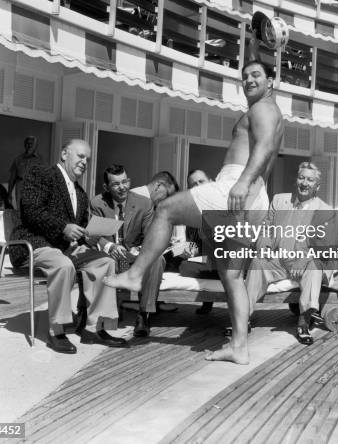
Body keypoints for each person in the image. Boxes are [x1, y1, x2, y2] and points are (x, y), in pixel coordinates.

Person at [105, 59, 284, 364]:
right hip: (255, 198)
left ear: (272, 82)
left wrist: (242, 182)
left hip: (238, 187)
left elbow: (265, 146)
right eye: (245, 76)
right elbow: (263, 141)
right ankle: (239, 346)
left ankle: (135, 275)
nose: (249, 80)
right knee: (231, 275)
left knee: (166, 209)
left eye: (257, 75)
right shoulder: (271, 109)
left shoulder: (263, 109)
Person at [13, 139, 126, 353]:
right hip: (34, 243)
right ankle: (57, 330)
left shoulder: (80, 194)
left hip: (65, 248)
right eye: (80, 156)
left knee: (105, 262)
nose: (84, 162)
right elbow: (31, 209)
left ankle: (94, 328)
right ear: (64, 154)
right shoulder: (41, 174)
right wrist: (63, 227)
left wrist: (89, 236)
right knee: (63, 265)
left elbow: (81, 227)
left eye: (87, 159)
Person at [246, 162, 335, 345]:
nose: (304, 183)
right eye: (301, 177)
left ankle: (304, 322)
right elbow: (266, 229)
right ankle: (243, 318)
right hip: (278, 259)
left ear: (317, 186)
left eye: (310, 180)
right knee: (257, 262)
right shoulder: (279, 200)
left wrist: (303, 260)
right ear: (296, 180)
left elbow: (323, 248)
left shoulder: (324, 210)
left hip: (306, 261)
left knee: (314, 267)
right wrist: (264, 246)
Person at [90, 166, 178, 337]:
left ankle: (144, 315)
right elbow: (93, 234)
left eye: (125, 181)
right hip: (108, 254)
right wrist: (110, 247)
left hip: (133, 255)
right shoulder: (97, 203)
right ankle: (103, 313)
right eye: (116, 184)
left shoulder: (143, 203)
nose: (122, 187)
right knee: (103, 261)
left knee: (157, 259)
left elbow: (149, 235)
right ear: (106, 187)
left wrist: (141, 249)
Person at [178, 169, 218, 315]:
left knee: (184, 266)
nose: (198, 186)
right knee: (178, 261)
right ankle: (207, 301)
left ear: (212, 183)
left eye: (201, 181)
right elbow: (193, 244)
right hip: (207, 259)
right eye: (193, 185)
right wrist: (187, 249)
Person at [7, 136, 43, 209]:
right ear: (24, 145)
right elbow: (12, 178)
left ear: (35, 146)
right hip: (20, 185)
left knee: (31, 209)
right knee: (20, 208)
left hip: (33, 186)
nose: (29, 145)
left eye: (31, 144)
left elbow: (44, 177)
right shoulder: (18, 159)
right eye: (27, 143)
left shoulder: (40, 160)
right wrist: (9, 193)